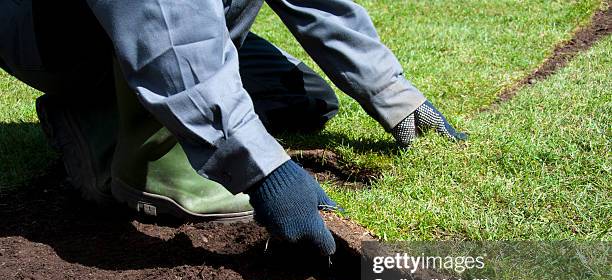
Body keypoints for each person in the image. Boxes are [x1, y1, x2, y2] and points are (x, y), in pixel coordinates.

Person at [0, 0, 467, 255]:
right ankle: (102, 129)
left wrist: (395, 96)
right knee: (177, 94)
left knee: (302, 98)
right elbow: (165, 28)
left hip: (183, 15)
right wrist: (267, 173)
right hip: (68, 37)